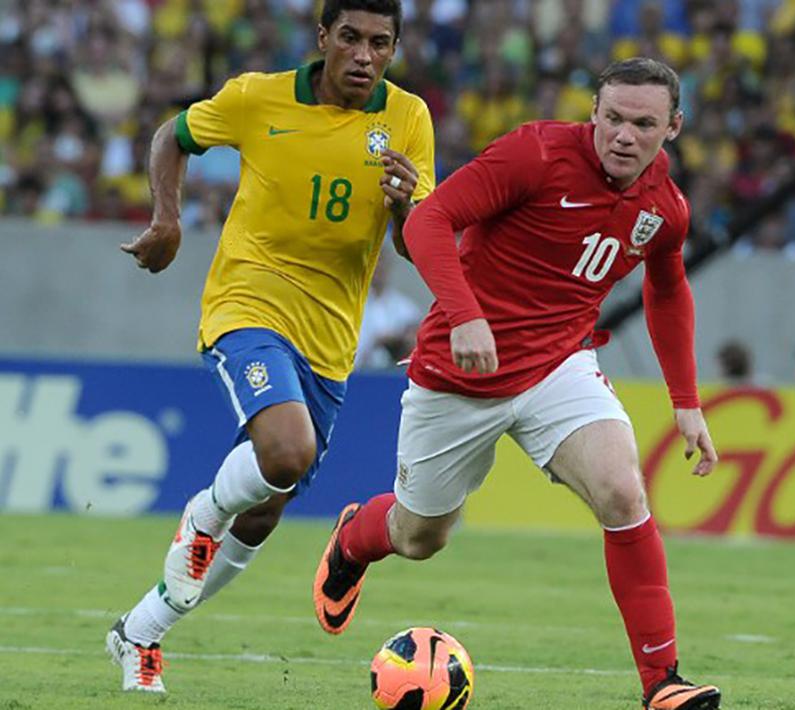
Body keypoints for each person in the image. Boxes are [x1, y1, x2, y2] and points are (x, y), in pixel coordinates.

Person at [311, 58, 722, 710]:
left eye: (642, 124)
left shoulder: (664, 207)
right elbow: (427, 221)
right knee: (421, 537)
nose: (622, 135)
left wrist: (686, 403)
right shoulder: (533, 155)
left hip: (559, 364)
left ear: (671, 127)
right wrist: (467, 315)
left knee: (622, 491)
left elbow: (667, 289)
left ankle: (663, 683)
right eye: (612, 117)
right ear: (593, 111)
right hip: (460, 371)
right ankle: (356, 537)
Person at [104, 0, 436, 693]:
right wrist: (167, 218)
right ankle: (204, 512)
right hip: (248, 302)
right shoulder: (258, 97)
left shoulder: (407, 118)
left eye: (380, 43)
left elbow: (413, 243)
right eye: (350, 38)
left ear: (394, 49)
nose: (364, 55)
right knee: (285, 453)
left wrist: (407, 207)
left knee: (267, 505)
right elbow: (174, 133)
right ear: (322, 39)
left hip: (330, 338)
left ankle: (141, 633)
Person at [355, 249, 423, 369]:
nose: (378, 268)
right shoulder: (354, 305)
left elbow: (417, 344)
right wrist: (375, 343)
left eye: (381, 262)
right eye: (374, 263)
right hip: (356, 375)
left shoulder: (405, 308)